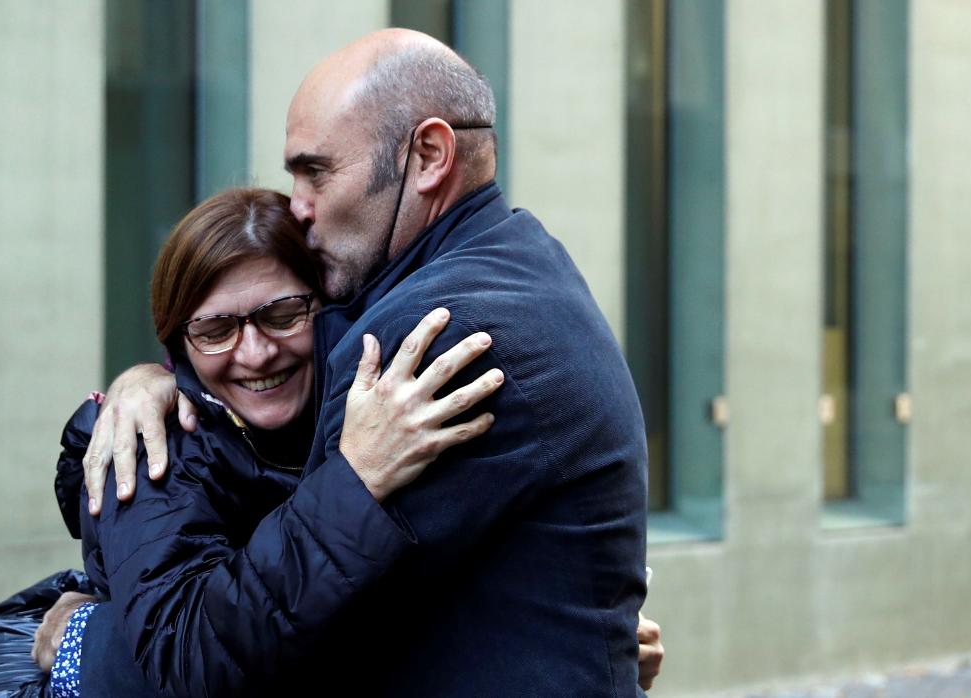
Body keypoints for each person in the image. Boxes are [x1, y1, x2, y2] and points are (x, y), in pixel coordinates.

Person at [53, 29, 656, 696]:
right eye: (216, 329)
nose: (298, 204)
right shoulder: (522, 261)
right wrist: (147, 383)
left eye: (315, 171)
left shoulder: (428, 336)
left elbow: (293, 656)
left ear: (428, 155)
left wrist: (83, 640)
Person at [35, 188, 502, 697]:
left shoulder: (346, 408)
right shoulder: (153, 448)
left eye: (281, 316)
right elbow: (192, 657)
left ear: (327, 305)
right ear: (178, 341)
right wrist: (357, 480)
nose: (255, 354)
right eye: (215, 330)